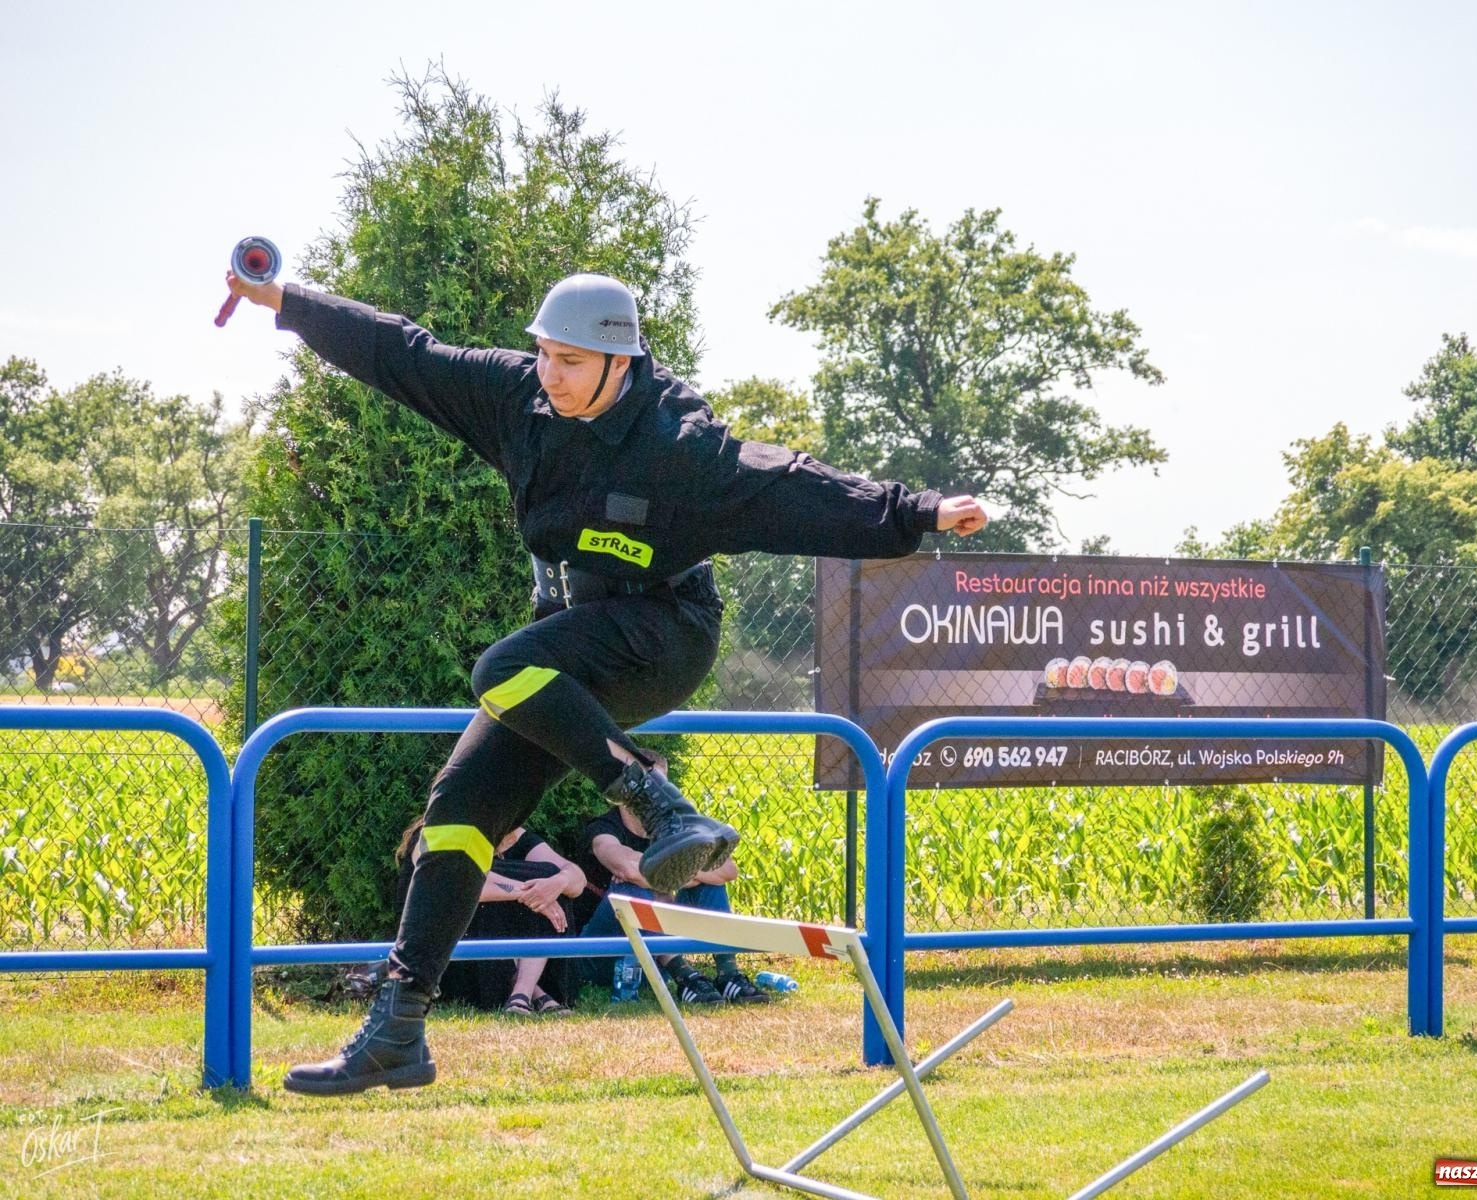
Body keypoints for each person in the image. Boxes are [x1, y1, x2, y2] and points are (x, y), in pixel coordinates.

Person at [223, 268, 988, 1096]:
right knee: (456, 814)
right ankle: (397, 1033)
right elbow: (401, 352)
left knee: (501, 667)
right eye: (544, 355)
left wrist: (913, 512)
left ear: (620, 363)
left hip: (669, 631)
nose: (550, 375)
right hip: (575, 640)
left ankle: (661, 806)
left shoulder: (679, 445)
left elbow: (789, 485)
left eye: (572, 361)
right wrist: (287, 302)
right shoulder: (515, 400)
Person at [573, 801, 769, 1005]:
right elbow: (628, 870)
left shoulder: (672, 826)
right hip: (603, 958)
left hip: (654, 960)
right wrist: (679, 871)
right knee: (630, 891)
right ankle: (685, 977)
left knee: (709, 886)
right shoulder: (603, 829)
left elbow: (728, 870)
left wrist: (664, 875)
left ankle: (728, 975)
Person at [395, 817, 584, 1016]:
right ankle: (531, 993)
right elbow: (460, 884)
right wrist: (531, 893)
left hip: (497, 955)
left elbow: (577, 879)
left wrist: (559, 882)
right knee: (490, 896)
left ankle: (523, 992)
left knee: (550, 877)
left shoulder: (514, 836)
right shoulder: (432, 834)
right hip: (448, 957)